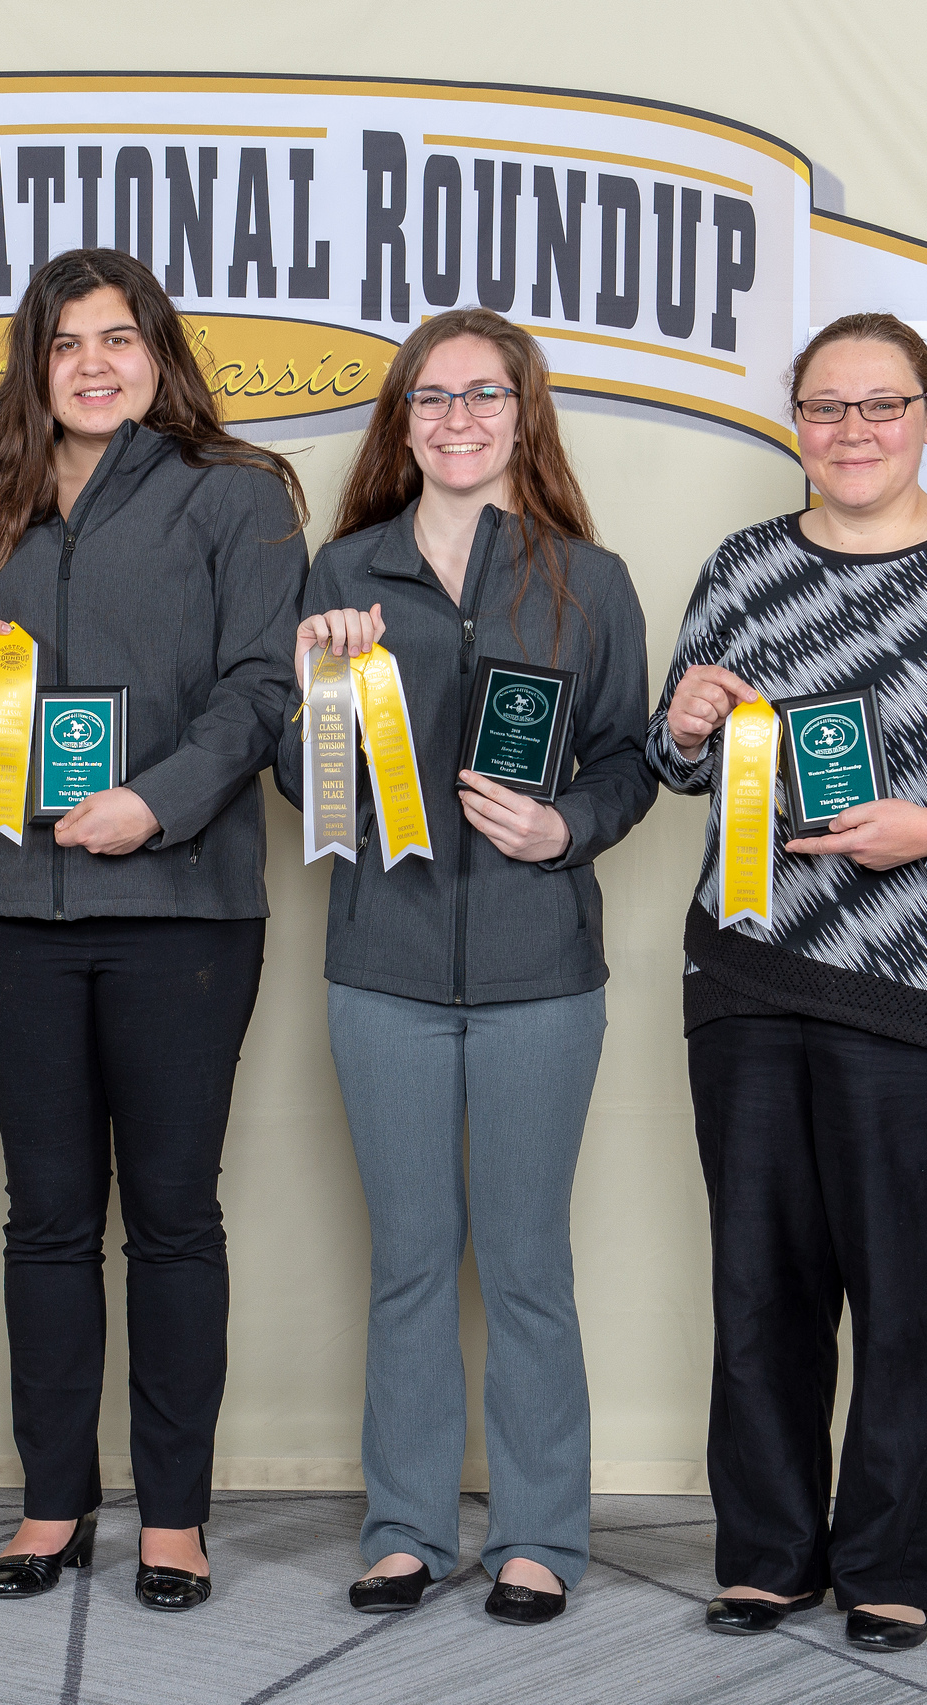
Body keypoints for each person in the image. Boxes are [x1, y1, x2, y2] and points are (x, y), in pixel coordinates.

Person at [646, 313, 927, 1652]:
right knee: (760, 1289)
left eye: (881, 406)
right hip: (749, 970)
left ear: (926, 414)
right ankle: (768, 1553)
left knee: (913, 1293)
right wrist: (677, 724)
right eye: (829, 408)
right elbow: (682, 759)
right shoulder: (743, 565)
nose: (855, 431)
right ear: (798, 422)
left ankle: (892, 1561)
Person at [0, 248, 306, 1612]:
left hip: (183, 907)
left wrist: (161, 802)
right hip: (15, 905)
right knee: (46, 1219)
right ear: (36, 361)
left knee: (176, 1219)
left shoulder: (240, 498)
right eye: (67, 340)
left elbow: (264, 689)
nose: (93, 362)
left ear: (161, 353)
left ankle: (178, 1516)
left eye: (120, 337)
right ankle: (51, 1502)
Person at [275, 308, 655, 1624]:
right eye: (429, 399)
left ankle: (542, 1530)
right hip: (380, 963)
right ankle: (407, 1526)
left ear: (522, 413)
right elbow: (295, 781)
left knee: (528, 1256)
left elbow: (625, 760)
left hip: (543, 970)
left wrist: (570, 825)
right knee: (410, 1257)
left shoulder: (588, 581)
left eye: (481, 395)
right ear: (403, 423)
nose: (455, 419)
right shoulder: (342, 572)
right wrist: (316, 690)